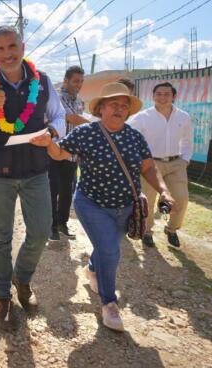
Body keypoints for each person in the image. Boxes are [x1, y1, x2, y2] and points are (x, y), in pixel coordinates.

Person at [30, 82, 174, 331]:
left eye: (123, 106)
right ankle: (109, 303)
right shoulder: (86, 133)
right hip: (91, 204)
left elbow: (148, 167)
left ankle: (93, 269)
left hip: (126, 207)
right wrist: (48, 143)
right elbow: (60, 153)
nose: (119, 109)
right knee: (110, 250)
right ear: (101, 109)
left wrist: (163, 190)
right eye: (113, 104)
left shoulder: (134, 137)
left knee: (107, 248)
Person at [0, 25, 65, 319]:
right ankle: (3, 296)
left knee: (41, 231)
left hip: (36, 170)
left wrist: (53, 133)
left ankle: (22, 277)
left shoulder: (42, 81)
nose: (7, 54)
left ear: (22, 46)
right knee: (2, 238)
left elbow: (57, 116)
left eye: (12, 46)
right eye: (0, 49)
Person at [129, 82, 193, 249]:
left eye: (166, 94)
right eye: (159, 94)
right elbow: (128, 136)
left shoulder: (183, 117)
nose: (162, 97)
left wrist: (185, 160)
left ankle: (171, 229)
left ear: (174, 97)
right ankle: (147, 232)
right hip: (150, 164)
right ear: (153, 96)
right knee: (149, 200)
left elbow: (187, 141)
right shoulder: (143, 117)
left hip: (176, 163)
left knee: (181, 198)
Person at [48, 65, 89, 241]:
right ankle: (50, 226)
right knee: (53, 188)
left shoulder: (80, 100)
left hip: (72, 154)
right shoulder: (56, 97)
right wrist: (98, 126)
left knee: (67, 190)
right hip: (54, 150)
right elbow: (72, 118)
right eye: (75, 81)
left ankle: (62, 223)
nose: (78, 85)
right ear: (66, 80)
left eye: (81, 81)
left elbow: (79, 120)